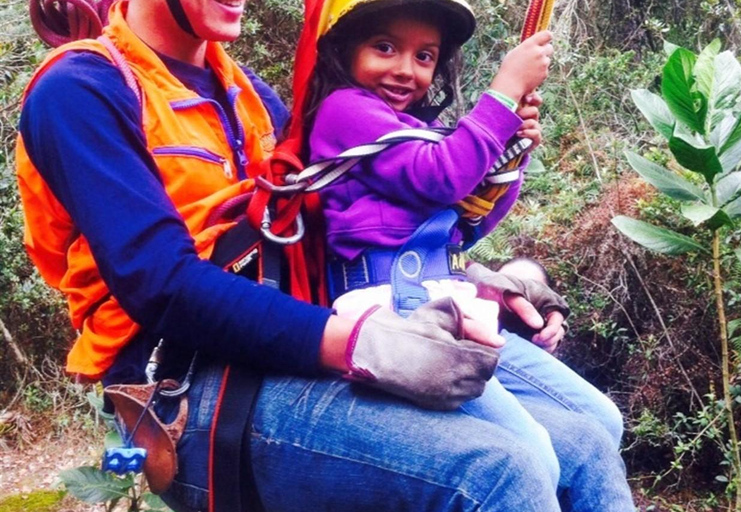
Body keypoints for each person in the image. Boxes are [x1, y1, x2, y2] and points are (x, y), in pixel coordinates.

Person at [15, 0, 630, 511]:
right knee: (501, 470)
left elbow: (357, 235)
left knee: (586, 442)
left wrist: (484, 285)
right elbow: (161, 285)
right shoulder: (81, 91)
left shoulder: (249, 97)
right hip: (181, 382)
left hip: (280, 352)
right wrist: (358, 343)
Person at [305, 0, 635, 509]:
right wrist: (503, 93)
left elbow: (466, 223)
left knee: (602, 420)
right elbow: (442, 176)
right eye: (385, 47)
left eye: (424, 56)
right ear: (344, 51)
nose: (404, 69)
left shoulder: (408, 132)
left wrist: (511, 155)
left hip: (454, 310)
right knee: (533, 457)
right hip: (399, 324)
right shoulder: (346, 112)